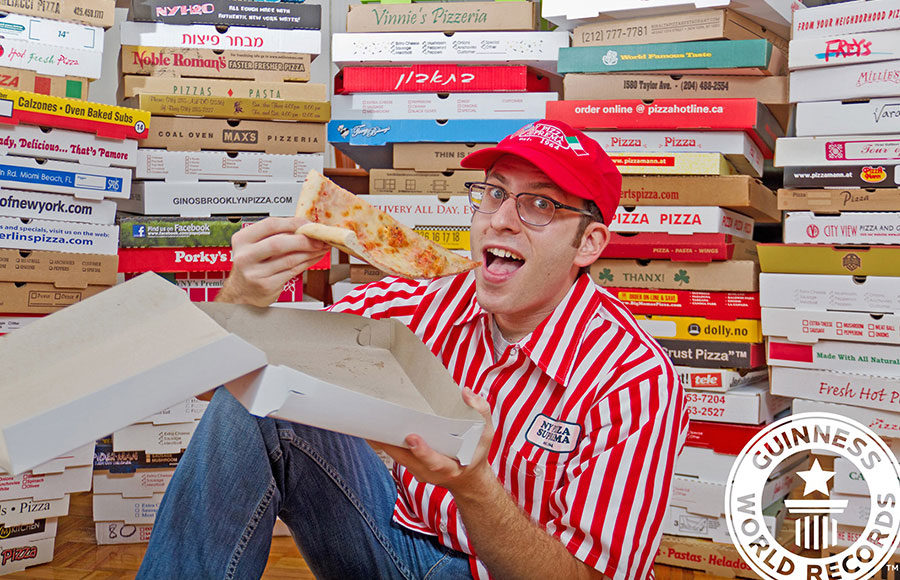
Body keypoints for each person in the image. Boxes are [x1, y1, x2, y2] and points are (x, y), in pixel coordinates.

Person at [137, 120, 687, 580]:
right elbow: (219, 385)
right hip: (392, 540)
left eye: (539, 205)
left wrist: (474, 489)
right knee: (260, 398)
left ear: (588, 244)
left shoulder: (634, 381)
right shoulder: (423, 300)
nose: (500, 219)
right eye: (494, 193)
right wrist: (241, 298)